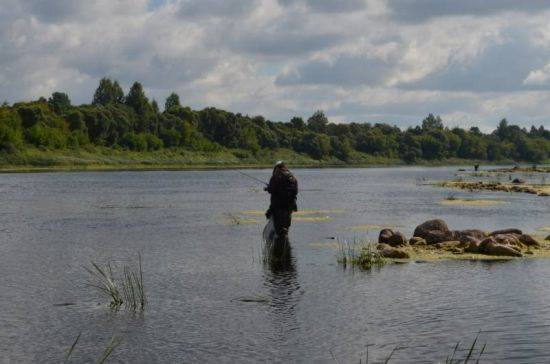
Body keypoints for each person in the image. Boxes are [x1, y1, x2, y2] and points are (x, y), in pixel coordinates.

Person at [264, 161, 298, 246]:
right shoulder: (292, 176)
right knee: (286, 224)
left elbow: (271, 189)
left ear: (277, 167)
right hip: (290, 205)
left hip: (278, 205)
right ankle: (285, 245)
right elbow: (296, 191)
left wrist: (267, 188)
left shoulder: (276, 176)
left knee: (278, 227)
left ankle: (280, 246)